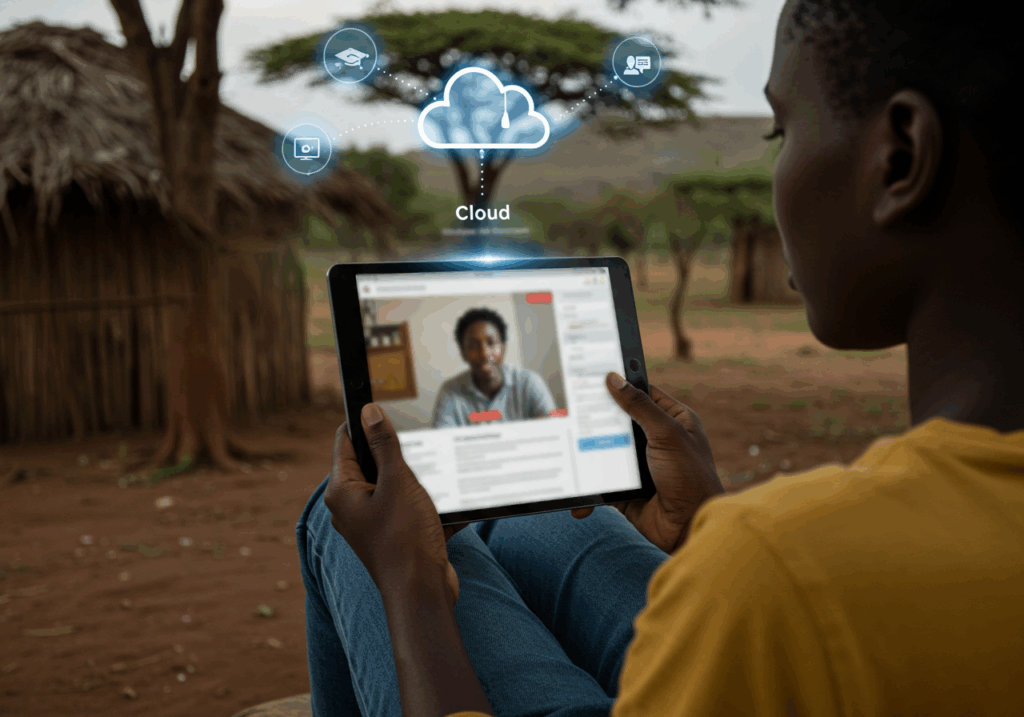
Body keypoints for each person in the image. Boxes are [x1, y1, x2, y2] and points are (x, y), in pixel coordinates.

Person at [296, 1, 1024, 715]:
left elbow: (783, 597)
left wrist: (411, 589)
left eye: (780, 130)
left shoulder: (786, 570)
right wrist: (709, 521)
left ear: (901, 155)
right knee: (530, 520)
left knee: (344, 521)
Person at [430, 307, 557, 428]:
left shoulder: (530, 383)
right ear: (463, 354)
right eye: (473, 346)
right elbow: (444, 444)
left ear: (503, 348)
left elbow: (552, 430)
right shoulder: (450, 392)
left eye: (491, 343)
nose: (484, 353)